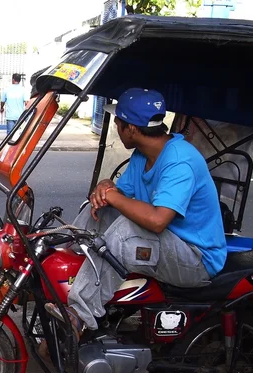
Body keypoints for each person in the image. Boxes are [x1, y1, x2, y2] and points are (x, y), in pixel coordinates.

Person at [45, 88, 227, 339]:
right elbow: (119, 194)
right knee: (98, 211)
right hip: (166, 245)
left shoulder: (179, 160)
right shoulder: (143, 155)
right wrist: (104, 190)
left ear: (131, 128)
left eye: (119, 122)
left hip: (195, 259)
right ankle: (57, 277)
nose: (117, 127)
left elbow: (157, 220)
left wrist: (112, 195)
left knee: (124, 233)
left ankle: (79, 314)